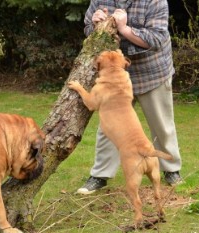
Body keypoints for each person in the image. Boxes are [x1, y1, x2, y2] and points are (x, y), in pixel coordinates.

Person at [77, 0, 182, 194]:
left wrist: (124, 29)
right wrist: (95, 24)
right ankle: (100, 175)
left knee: (161, 125)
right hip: (114, 75)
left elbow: (156, 39)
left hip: (152, 71)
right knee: (109, 125)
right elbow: (88, 30)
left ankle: (171, 169)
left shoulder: (156, 1)